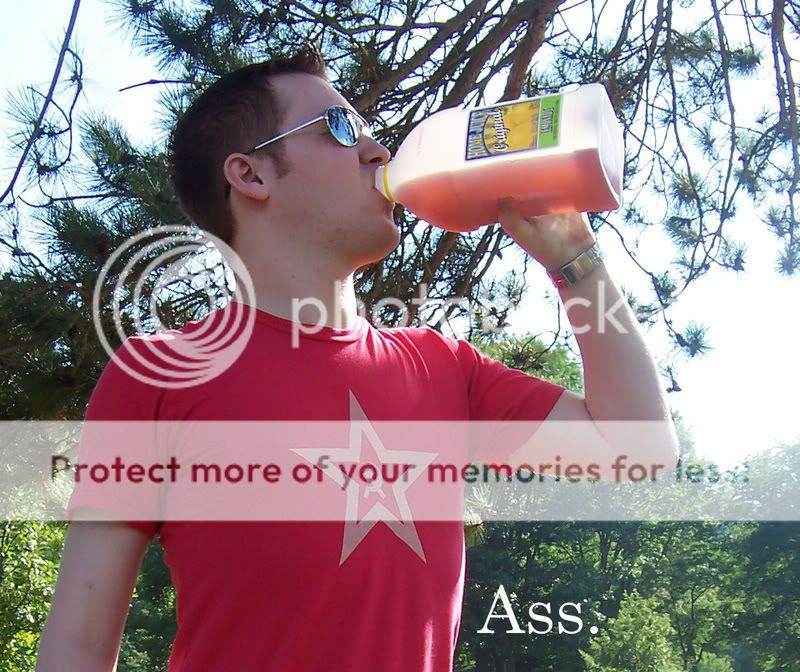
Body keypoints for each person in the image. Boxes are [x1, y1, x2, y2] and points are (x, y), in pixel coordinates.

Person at [36, 49, 678, 671]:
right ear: (251, 175)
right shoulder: (159, 376)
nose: (377, 152)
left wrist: (576, 260)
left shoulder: (443, 367)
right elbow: (78, 648)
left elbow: (639, 449)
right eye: (340, 129)